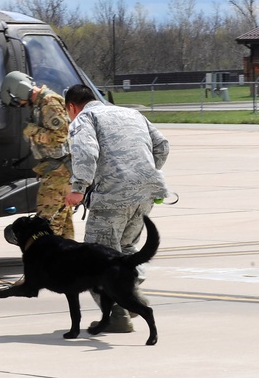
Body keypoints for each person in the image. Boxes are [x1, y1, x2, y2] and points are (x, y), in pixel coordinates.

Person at [63, 83, 170, 334]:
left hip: (112, 197)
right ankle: (131, 296)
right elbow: (162, 146)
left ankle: (117, 315)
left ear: (72, 106)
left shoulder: (84, 118)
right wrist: (144, 174)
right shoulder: (132, 113)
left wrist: (79, 187)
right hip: (146, 193)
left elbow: (86, 151)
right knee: (128, 250)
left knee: (94, 260)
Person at [0, 70, 74, 239]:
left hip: (59, 171)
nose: (20, 103)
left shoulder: (49, 102)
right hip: (56, 170)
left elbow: (60, 135)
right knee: (63, 224)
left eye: (17, 99)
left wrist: (31, 130)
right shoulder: (40, 104)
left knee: (48, 223)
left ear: (20, 90)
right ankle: (69, 261)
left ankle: (50, 260)